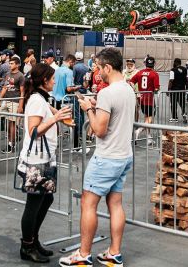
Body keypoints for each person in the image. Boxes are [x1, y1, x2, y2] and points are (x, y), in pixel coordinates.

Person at [61, 48, 135, 266]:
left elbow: (100, 130)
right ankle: (114, 252)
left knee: (88, 203)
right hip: (124, 155)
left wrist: (87, 109)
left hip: (107, 157)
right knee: (115, 203)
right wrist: (97, 107)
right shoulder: (129, 89)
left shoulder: (107, 92)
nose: (97, 72)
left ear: (108, 67)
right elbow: (118, 116)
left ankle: (83, 255)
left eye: (99, 68)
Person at [18, 63, 72, 264]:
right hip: (35, 161)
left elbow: (47, 112)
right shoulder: (36, 101)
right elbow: (33, 131)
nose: (55, 81)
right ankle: (27, 245)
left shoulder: (40, 99)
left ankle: (34, 240)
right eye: (52, 78)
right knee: (34, 203)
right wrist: (56, 118)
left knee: (46, 199)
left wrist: (58, 116)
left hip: (44, 159)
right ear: (44, 81)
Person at [0, 56, 25, 153]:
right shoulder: (8, 74)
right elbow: (5, 87)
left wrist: (21, 106)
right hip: (6, 100)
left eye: (12, 63)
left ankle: (11, 144)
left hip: (15, 101)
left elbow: (22, 92)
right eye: (10, 63)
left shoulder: (20, 76)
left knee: (12, 124)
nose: (10, 65)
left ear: (17, 64)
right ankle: (14, 138)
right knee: (7, 123)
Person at [130, 56, 160, 145]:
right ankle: (139, 130)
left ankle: (149, 137)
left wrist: (136, 91)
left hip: (142, 99)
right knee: (150, 118)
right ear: (154, 64)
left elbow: (131, 82)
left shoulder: (140, 73)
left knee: (146, 117)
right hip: (150, 99)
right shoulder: (154, 74)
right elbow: (156, 88)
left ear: (145, 63)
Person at [168, 58, 188, 123]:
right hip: (182, 90)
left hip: (174, 90)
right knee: (182, 104)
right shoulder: (185, 69)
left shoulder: (172, 70)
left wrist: (168, 90)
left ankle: (174, 118)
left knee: (173, 104)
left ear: (175, 63)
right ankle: (184, 116)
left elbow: (171, 80)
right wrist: (186, 88)